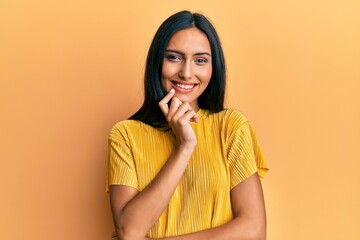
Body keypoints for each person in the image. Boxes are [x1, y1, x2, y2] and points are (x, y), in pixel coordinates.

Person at [107, 10, 269, 240]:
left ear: (214, 68)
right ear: (157, 61)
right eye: (174, 57)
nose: (186, 73)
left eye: (200, 60)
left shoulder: (231, 127)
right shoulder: (125, 135)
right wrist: (185, 146)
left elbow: (254, 231)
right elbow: (129, 232)